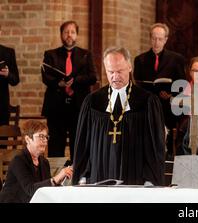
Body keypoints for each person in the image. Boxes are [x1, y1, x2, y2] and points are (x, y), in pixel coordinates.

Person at [72, 46, 165, 186]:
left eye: (120, 71)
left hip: (134, 176)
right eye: (110, 72)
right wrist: (82, 175)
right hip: (99, 174)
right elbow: (83, 143)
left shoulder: (147, 101)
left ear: (129, 67)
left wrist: (150, 179)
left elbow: (154, 144)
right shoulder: (92, 101)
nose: (115, 77)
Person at [41, 21, 97, 161]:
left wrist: (76, 80)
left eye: (72, 32)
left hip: (78, 107)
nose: (69, 35)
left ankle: (78, 177)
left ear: (77, 34)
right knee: (55, 145)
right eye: (66, 32)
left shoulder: (86, 55)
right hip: (56, 107)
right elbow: (45, 75)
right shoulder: (50, 54)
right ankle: (55, 177)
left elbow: (93, 77)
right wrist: (58, 83)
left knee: (79, 143)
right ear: (61, 34)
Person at [133, 23, 186, 160]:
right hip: (147, 106)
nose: (156, 42)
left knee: (166, 140)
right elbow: (137, 84)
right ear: (150, 38)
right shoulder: (140, 60)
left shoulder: (176, 59)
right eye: (154, 38)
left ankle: (167, 160)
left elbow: (182, 84)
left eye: (160, 39)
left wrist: (170, 95)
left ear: (166, 39)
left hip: (167, 107)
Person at [0, 120, 73, 203]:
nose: (45, 140)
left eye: (46, 137)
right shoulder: (19, 160)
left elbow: (44, 190)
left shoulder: (44, 162)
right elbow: (31, 189)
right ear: (28, 139)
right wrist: (55, 179)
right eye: (41, 136)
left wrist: (60, 182)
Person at [0, 24, 20, 127]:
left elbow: (16, 80)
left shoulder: (8, 52)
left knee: (2, 141)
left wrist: (8, 74)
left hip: (1, 106)